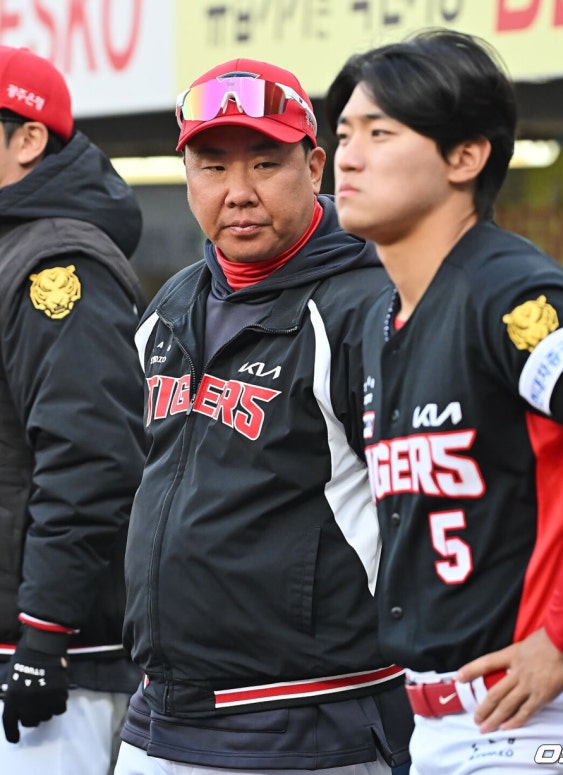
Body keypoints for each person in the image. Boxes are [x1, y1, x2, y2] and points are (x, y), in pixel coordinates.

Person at [326, 27, 563, 774]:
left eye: (380, 132)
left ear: (465, 156)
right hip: (442, 722)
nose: (348, 156)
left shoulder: (502, 286)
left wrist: (562, 631)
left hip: (544, 723)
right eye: (343, 134)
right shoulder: (380, 316)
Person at [114, 57, 413, 775]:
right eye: (213, 166)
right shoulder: (170, 306)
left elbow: (432, 507)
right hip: (161, 713)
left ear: (314, 166)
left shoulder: (367, 307)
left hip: (309, 720)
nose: (238, 191)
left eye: (265, 163)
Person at [0, 46, 147, 773]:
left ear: (28, 138)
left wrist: (44, 632)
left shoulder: (57, 262)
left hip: (54, 664)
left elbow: (91, 457)